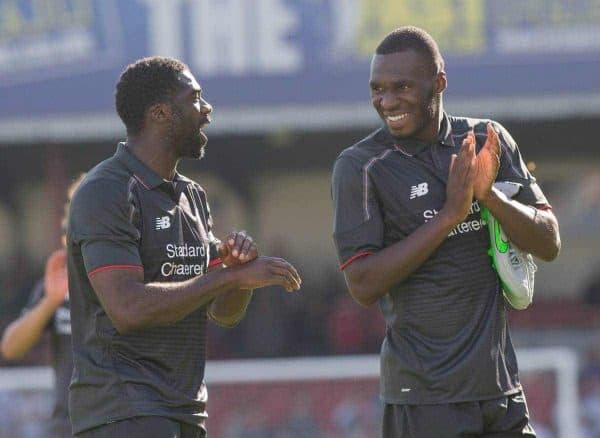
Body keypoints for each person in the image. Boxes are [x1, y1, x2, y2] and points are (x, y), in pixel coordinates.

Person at [331, 26, 561, 438]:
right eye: (377, 89)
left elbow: (549, 241)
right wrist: (448, 217)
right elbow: (362, 285)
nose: (387, 101)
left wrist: (489, 196)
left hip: (501, 391)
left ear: (439, 82)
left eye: (401, 86)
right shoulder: (361, 166)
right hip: (424, 399)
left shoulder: (488, 140)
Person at [66, 56, 301, 437]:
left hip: (184, 411)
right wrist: (226, 279)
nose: (206, 109)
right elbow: (128, 309)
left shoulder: (192, 196)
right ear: (160, 112)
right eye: (194, 98)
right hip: (122, 411)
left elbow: (223, 314)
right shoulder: (105, 191)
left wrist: (237, 275)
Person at [1, 174, 83, 438]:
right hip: (67, 427)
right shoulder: (58, 282)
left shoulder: (129, 283)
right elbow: (11, 347)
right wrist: (50, 300)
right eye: (71, 223)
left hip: (120, 426)